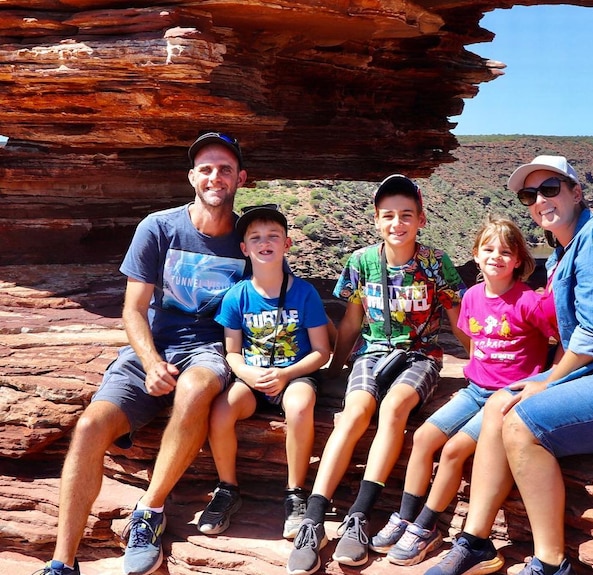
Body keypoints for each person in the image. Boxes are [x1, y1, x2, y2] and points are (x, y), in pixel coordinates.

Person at [425, 155, 593, 575]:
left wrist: (548, 382)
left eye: (551, 188)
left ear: (576, 192)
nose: (540, 200)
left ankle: (551, 563)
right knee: (499, 404)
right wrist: (542, 378)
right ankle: (475, 541)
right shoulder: (561, 256)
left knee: (523, 422)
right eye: (529, 195)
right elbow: (569, 340)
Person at [36, 132, 249, 575]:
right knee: (91, 426)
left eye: (225, 169)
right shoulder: (159, 227)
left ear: (241, 178)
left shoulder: (250, 239)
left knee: (198, 385)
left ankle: (148, 513)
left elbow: (275, 297)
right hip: (152, 346)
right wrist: (151, 362)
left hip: (208, 349)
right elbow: (133, 308)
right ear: (192, 177)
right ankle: (62, 562)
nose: (215, 177)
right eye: (206, 169)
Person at [287, 174, 471, 575]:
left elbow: (458, 320)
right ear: (375, 219)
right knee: (354, 413)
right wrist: (335, 365)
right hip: (371, 353)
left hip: (420, 355)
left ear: (421, 219)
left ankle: (358, 516)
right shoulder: (362, 261)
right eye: (388, 216)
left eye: (406, 215)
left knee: (393, 409)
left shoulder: (435, 263)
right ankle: (314, 520)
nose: (397, 224)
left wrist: (485, 362)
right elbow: (352, 320)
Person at [370, 215, 556, 566]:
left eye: (505, 251)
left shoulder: (529, 301)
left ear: (518, 260)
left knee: (454, 450)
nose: (496, 257)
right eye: (488, 249)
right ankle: (405, 517)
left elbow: (559, 339)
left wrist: (545, 378)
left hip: (504, 398)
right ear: (475, 254)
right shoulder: (471, 297)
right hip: (474, 389)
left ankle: (426, 527)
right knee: (424, 437)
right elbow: (473, 341)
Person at [195, 204, 331, 538]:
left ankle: (296, 493)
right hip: (253, 378)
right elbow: (232, 352)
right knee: (221, 409)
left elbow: (321, 351)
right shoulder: (237, 296)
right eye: (255, 237)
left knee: (299, 406)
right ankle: (227, 488)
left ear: (287, 244)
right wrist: (248, 374)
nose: (264, 242)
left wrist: (285, 375)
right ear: (244, 248)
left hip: (295, 374)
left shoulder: (304, 292)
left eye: (273, 235)